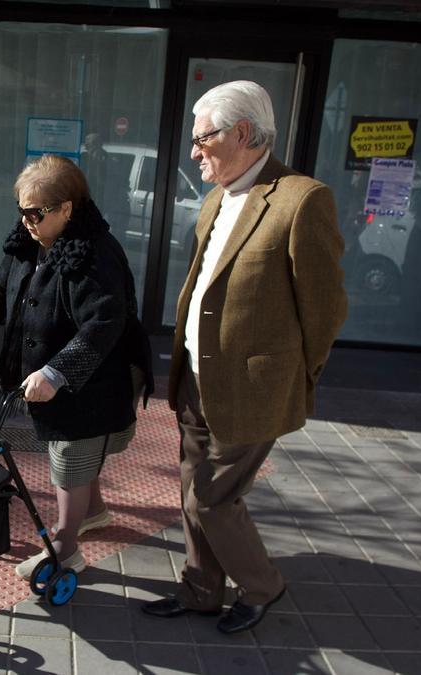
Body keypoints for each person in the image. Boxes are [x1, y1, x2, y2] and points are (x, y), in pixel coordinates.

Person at [141, 81, 347, 634]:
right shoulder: (217, 195)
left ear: (241, 134)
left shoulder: (302, 199)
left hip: (252, 389)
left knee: (211, 498)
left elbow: (325, 308)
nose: (193, 151)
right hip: (195, 382)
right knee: (191, 492)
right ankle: (202, 589)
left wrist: (294, 379)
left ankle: (263, 586)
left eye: (201, 138)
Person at [0, 154, 153, 578]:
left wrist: (57, 372)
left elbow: (104, 324)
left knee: (69, 459)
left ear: (67, 209)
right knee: (70, 454)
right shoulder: (28, 244)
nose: (27, 221)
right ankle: (93, 512)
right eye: (22, 210)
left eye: (37, 212)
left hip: (94, 382)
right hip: (49, 377)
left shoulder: (96, 255)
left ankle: (65, 548)